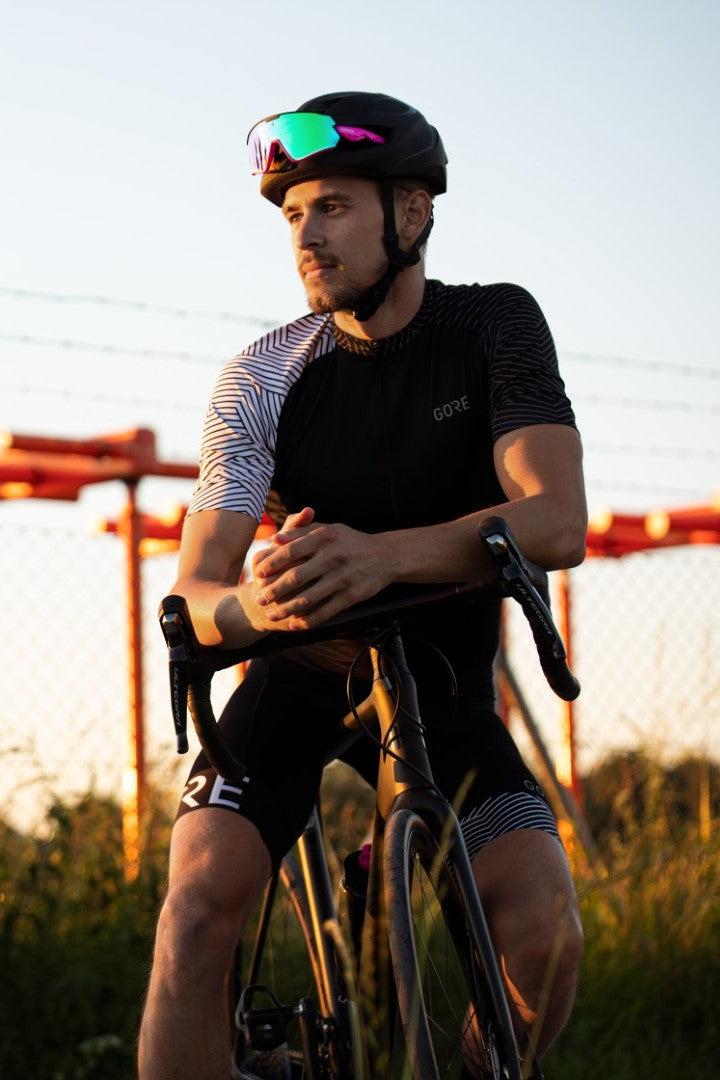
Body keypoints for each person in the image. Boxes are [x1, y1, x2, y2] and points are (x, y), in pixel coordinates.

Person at [138, 91, 588, 1079]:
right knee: (196, 910)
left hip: (440, 683)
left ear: (411, 212)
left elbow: (555, 520)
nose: (307, 234)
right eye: (292, 214)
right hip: (299, 673)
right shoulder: (263, 374)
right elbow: (195, 599)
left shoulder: (493, 325)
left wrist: (381, 557)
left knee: (545, 939)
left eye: (332, 205)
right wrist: (260, 605)